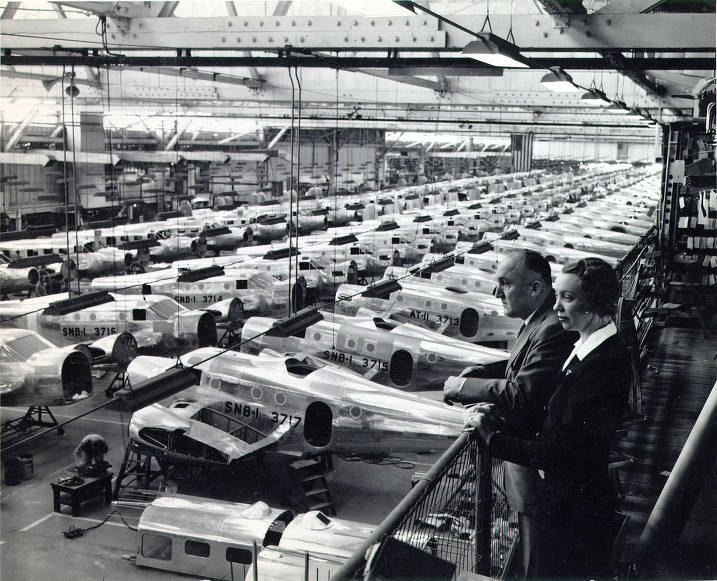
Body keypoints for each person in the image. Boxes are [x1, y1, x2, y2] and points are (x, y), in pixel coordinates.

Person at [466, 257, 631, 579]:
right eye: (557, 296)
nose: (555, 307)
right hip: (570, 501)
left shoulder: (602, 365)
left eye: (567, 298)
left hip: (574, 510)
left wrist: (493, 438)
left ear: (594, 303)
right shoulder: (586, 348)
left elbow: (561, 451)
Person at [443, 249, 576, 579]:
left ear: (535, 288)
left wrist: (464, 388)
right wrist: (481, 372)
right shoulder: (540, 320)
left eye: (505, 283)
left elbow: (523, 391)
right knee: (534, 553)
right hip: (531, 467)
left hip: (534, 469)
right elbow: (522, 364)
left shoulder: (551, 328)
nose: (496, 292)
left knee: (536, 561)